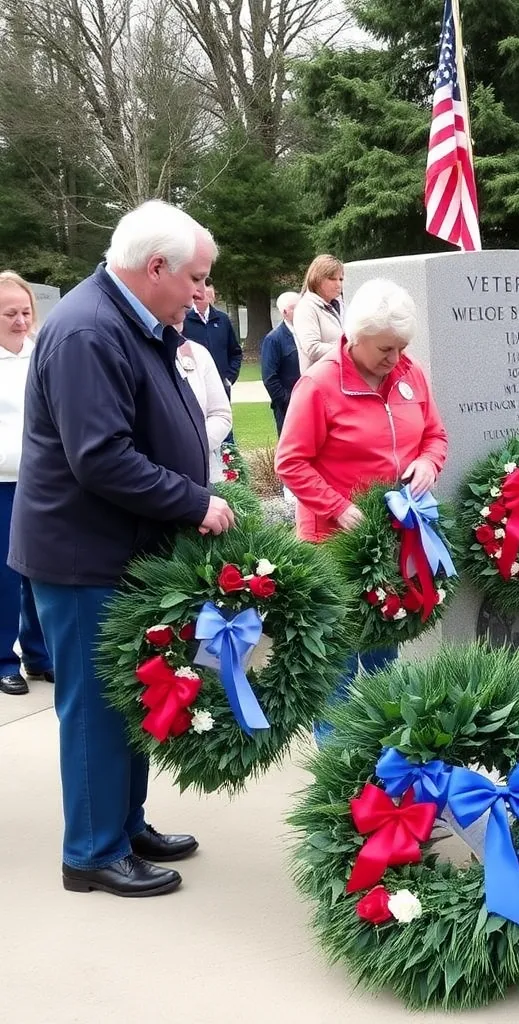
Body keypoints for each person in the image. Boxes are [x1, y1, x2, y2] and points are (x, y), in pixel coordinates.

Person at [9, 200, 235, 897]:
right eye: (194, 278)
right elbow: (100, 457)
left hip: (123, 549)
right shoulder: (88, 330)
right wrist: (195, 501)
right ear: (155, 267)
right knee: (97, 707)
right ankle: (92, 851)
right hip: (84, 557)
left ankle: (123, 821)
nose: (200, 294)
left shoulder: (133, 321)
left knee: (133, 698)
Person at [275, 278, 448, 746]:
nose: (395, 359)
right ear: (354, 337)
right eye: (385, 349)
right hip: (334, 543)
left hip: (395, 537)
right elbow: (290, 462)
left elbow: (435, 436)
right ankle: (341, 768)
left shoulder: (411, 376)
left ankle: (381, 754)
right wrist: (338, 508)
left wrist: (427, 463)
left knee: (381, 648)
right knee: (339, 660)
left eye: (401, 347)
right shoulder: (319, 384)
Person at [0, 272, 52, 696]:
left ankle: (39, 654)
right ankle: (4, 658)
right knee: (4, 576)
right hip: (1, 483)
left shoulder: (41, 353)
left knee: (40, 570)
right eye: (9, 314)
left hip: (40, 483)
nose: (20, 321)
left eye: (25, 312)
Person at [174, 330, 233, 482]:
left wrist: (193, 445)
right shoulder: (131, 350)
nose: (188, 305)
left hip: (205, 473)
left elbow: (221, 414)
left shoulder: (198, 353)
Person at [181, 280, 242, 398]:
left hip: (221, 387)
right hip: (194, 387)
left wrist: (229, 378)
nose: (198, 297)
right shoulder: (184, 319)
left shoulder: (222, 320)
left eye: (203, 294)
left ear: (211, 297)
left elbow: (235, 352)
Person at [293, 253, 345, 373]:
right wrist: (348, 349)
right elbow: (312, 349)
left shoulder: (340, 305)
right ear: (317, 279)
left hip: (339, 378)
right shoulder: (306, 307)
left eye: (341, 279)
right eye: (332, 279)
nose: (338, 284)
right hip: (320, 381)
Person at [261, 290, 301, 435]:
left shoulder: (307, 333)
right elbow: (269, 377)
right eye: (297, 307)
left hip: (310, 402)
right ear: (285, 312)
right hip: (288, 408)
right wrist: (287, 400)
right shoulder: (274, 339)